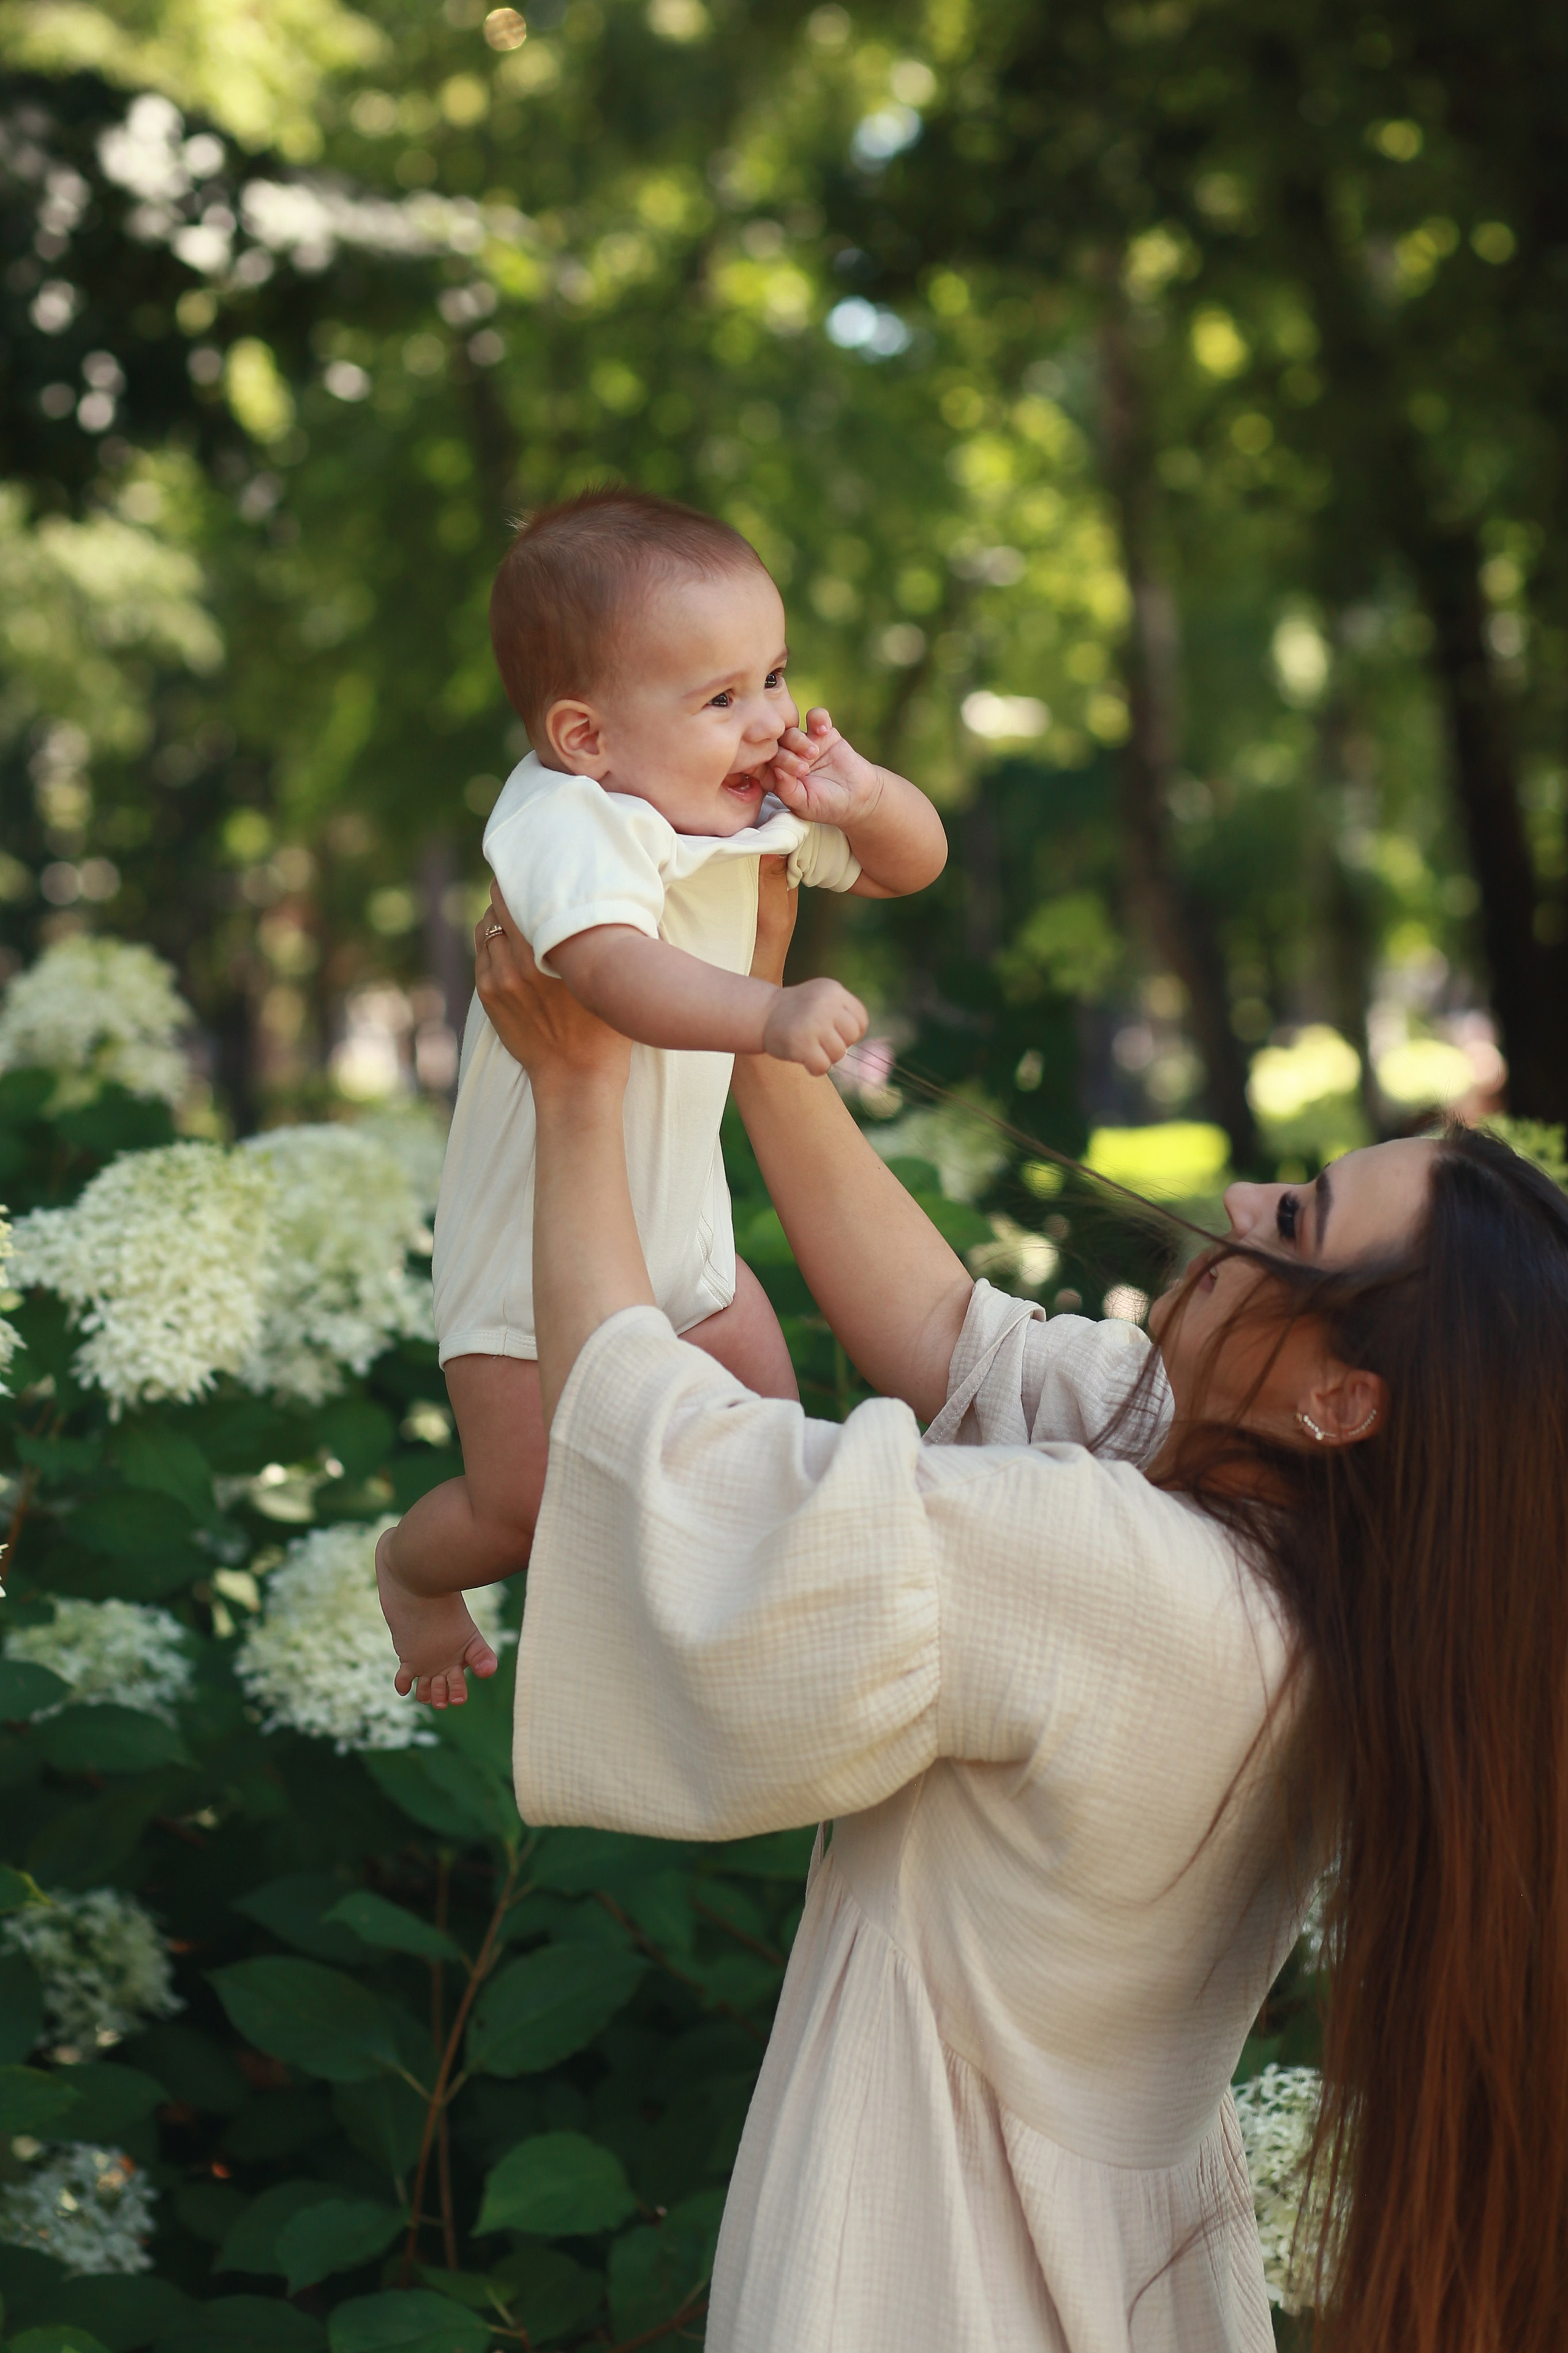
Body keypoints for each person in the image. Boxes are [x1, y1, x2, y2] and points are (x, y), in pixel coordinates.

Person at [434, 862, 1568, 2353]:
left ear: (1343, 1399)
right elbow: (953, 1339)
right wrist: (751, 1031)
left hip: (932, 2272)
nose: (1235, 1202)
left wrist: (580, 1102)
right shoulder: (1303, 1557)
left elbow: (661, 1470)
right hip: (1120, 2275)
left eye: (1288, 1216)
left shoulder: (1123, 1574)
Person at [376, 488, 946, 1690]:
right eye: (721, 698)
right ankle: (412, 1573)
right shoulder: (563, 819)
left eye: (776, 675)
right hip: (527, 1263)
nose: (769, 722)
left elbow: (910, 866)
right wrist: (770, 1009)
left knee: (776, 1455)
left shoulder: (738, 803)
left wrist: (868, 796)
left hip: (683, 1243)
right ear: (586, 736)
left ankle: (758, 1663)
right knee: (520, 1508)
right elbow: (617, 977)